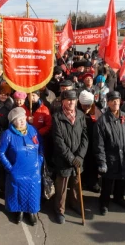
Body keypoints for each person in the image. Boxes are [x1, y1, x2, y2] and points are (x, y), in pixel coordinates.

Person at [0, 107, 43, 225]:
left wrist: (39, 162)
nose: (22, 121)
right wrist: (10, 168)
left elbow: (40, 148)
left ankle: (32, 212)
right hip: (17, 172)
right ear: (13, 122)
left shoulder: (33, 130)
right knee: (17, 193)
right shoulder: (7, 134)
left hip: (33, 171)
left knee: (32, 193)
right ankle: (19, 212)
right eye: (18, 119)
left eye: (23, 118)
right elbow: (1, 152)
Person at [94, 91, 125, 215]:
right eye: (112, 100)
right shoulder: (102, 121)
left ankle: (119, 197)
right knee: (108, 182)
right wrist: (102, 161)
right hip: (110, 157)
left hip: (124, 156)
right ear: (108, 103)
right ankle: (104, 202)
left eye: (117, 100)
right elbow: (99, 145)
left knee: (122, 179)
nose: (115, 102)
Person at [52, 90, 88, 224]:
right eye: (68, 100)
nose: (71, 102)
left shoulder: (80, 115)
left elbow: (85, 137)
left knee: (75, 185)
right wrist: (71, 158)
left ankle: (74, 204)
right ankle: (59, 211)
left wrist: (80, 156)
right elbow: (58, 141)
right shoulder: (57, 117)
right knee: (61, 188)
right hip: (64, 159)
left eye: (73, 100)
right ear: (63, 101)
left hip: (78, 159)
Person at [78, 90, 102, 192]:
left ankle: (93, 183)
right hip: (80, 143)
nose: (87, 108)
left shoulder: (97, 111)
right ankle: (82, 182)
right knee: (83, 164)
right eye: (84, 106)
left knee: (93, 164)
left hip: (93, 143)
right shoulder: (76, 112)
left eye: (89, 105)